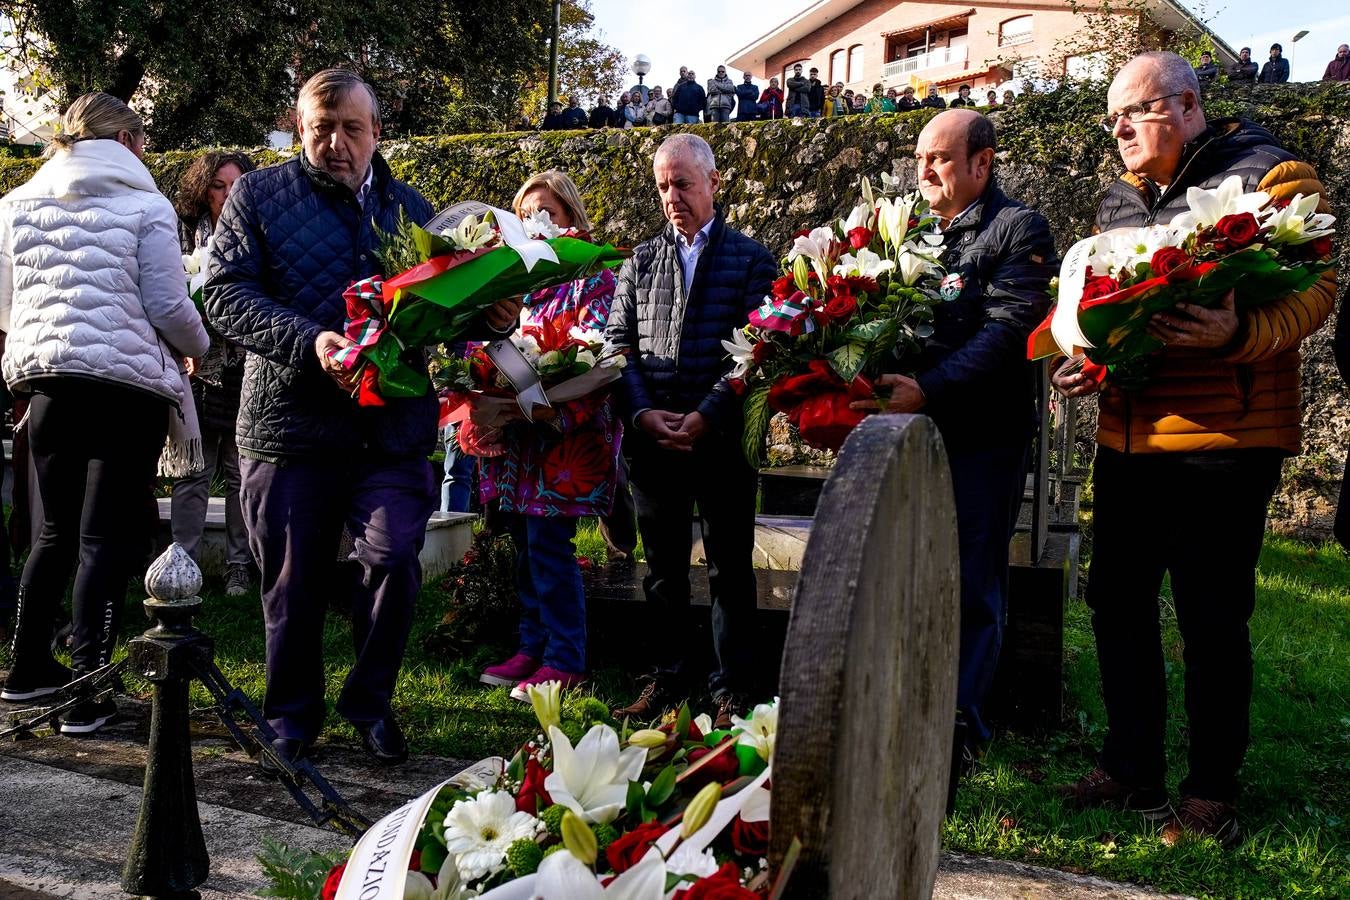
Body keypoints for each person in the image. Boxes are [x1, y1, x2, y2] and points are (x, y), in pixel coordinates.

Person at [1053, 51, 1336, 847]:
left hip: (1226, 436)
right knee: (1115, 602)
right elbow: (1115, 306)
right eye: (1111, 118)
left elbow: (1318, 290)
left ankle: (1212, 788)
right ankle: (1129, 763)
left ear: (1183, 105)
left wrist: (1238, 331)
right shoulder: (1118, 199)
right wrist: (1093, 361)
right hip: (1130, 434)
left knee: (1212, 616)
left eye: (1130, 114)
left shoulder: (1273, 171)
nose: (1117, 131)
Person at [205, 69, 521, 771]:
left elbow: (443, 316)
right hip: (288, 428)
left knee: (393, 561)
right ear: (298, 125)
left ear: (378, 132)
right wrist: (311, 342)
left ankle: (370, 703)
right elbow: (222, 295)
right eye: (322, 127)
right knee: (291, 584)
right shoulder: (258, 195)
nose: (336, 143)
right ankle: (291, 717)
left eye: (352, 128)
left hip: (390, 434)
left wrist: (492, 311)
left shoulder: (414, 212)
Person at [851, 108, 1056, 793]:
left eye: (939, 158)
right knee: (906, 574)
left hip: (980, 437)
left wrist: (928, 390)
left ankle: (959, 730)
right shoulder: (908, 232)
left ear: (983, 163)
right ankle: (907, 707)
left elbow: (1007, 333)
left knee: (971, 583)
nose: (926, 171)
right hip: (909, 433)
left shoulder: (1017, 229)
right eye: (919, 159)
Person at [0, 93, 209, 732]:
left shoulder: (14, 204)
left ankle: (27, 666)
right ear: (125, 141)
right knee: (105, 538)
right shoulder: (146, 206)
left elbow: (4, 304)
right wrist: (196, 348)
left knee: (55, 531)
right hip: (125, 389)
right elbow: (169, 306)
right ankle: (88, 688)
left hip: (47, 385)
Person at [604, 133, 777, 728]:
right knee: (663, 569)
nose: (672, 196)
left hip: (721, 440)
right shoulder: (641, 260)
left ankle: (734, 685)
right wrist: (642, 413)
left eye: (682, 183)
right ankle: (669, 677)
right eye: (662, 186)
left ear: (712, 183)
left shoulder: (752, 260)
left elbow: (757, 349)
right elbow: (616, 344)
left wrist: (708, 412)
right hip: (653, 441)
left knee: (730, 567)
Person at [476, 171, 621, 697]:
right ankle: (532, 646)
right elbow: (491, 340)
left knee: (549, 547)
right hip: (519, 437)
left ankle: (565, 656)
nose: (538, 226)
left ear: (571, 218)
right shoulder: (511, 277)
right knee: (523, 544)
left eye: (548, 215)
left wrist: (549, 404)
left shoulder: (592, 275)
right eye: (528, 216)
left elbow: (596, 353)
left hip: (565, 434)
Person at [170, 151, 256, 597]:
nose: (226, 195)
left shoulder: (256, 232)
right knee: (193, 471)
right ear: (203, 191)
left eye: (234, 186)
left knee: (240, 471)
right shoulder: (184, 232)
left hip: (246, 367)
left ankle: (240, 565)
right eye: (218, 186)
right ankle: (181, 564)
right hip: (198, 368)